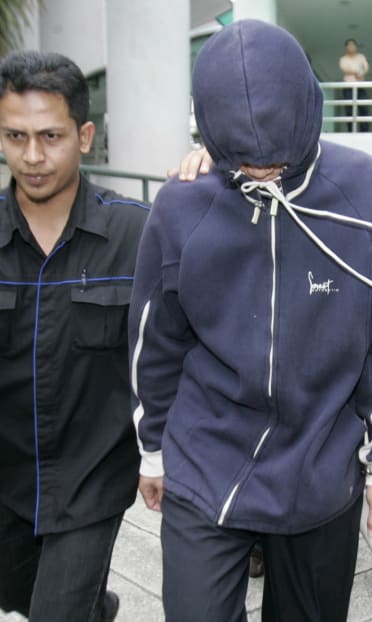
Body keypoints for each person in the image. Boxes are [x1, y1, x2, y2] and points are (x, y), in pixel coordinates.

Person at [129, 20, 372, 622]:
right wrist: (152, 449)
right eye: (244, 158)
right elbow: (153, 340)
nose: (264, 172)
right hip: (204, 460)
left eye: (279, 158)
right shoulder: (183, 204)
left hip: (322, 465)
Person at [0, 50, 147, 621]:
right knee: (18, 598)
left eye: (50, 136)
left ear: (84, 136)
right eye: (15, 136)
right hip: (8, 478)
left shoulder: (136, 234)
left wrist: (213, 171)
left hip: (93, 478)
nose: (32, 156)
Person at [339, 38, 370, 132]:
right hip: (348, 87)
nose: (351, 47)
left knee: (364, 108)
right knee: (349, 110)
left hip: (360, 87)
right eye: (349, 45)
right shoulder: (343, 59)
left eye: (353, 45)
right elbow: (345, 69)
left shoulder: (361, 57)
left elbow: (366, 68)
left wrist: (362, 73)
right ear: (346, 47)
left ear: (356, 47)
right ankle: (351, 131)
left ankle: (364, 131)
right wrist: (357, 71)